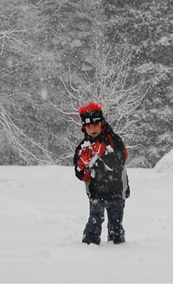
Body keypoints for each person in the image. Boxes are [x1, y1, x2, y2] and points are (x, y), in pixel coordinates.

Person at [73, 101, 130, 245]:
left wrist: (104, 153)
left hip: (117, 190)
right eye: (88, 127)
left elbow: (119, 163)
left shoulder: (113, 140)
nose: (92, 129)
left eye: (95, 125)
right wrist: (82, 165)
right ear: (84, 129)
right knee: (94, 220)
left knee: (115, 223)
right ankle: (89, 245)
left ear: (102, 124)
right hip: (96, 191)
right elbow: (80, 174)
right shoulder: (83, 147)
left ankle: (117, 245)